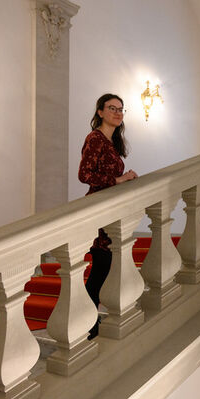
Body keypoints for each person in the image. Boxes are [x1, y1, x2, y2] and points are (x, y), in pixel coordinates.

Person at [79, 93, 138, 339]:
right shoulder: (95, 138)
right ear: (100, 112)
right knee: (101, 269)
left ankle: (90, 322)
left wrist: (125, 182)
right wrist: (119, 180)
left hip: (112, 211)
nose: (117, 112)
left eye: (121, 109)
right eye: (112, 108)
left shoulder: (112, 143)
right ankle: (87, 324)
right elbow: (85, 175)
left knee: (103, 269)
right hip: (101, 211)